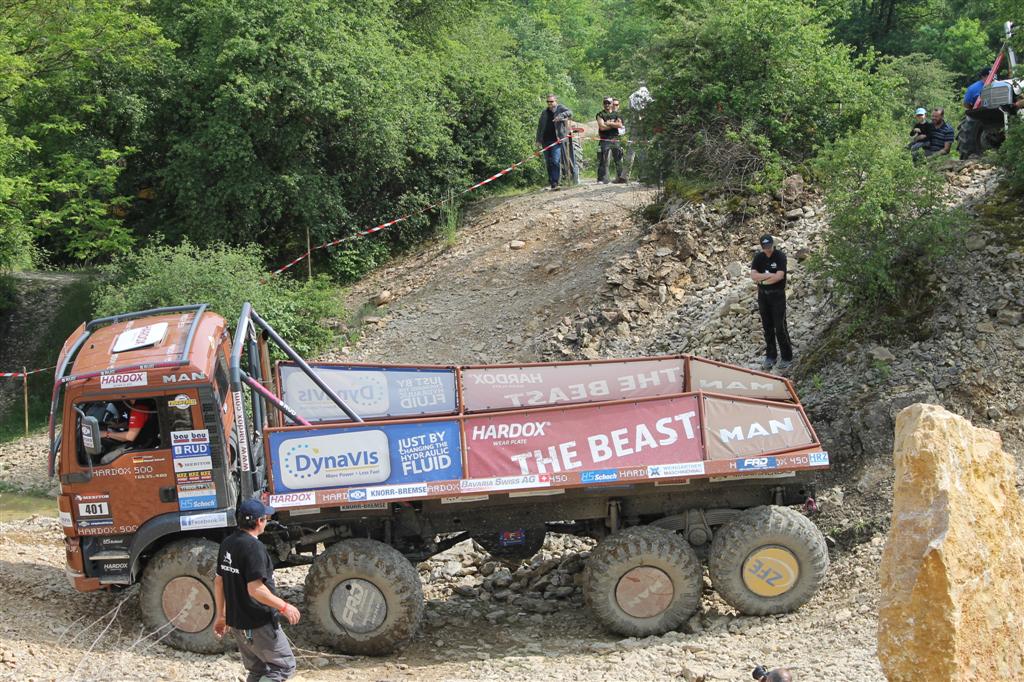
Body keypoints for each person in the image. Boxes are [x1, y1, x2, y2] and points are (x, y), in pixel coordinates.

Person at [214, 498, 300, 682]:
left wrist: (221, 616)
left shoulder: (227, 543)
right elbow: (256, 590)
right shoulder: (254, 548)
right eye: (265, 518)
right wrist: (284, 607)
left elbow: (219, 581)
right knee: (283, 667)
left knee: (257, 670)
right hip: (258, 622)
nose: (266, 522)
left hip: (237, 622)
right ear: (259, 521)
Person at [750, 234, 793, 371]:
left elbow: (779, 276)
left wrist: (762, 278)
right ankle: (771, 356)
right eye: (765, 247)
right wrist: (768, 276)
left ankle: (786, 356)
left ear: (773, 245)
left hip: (777, 296)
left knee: (780, 327)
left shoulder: (780, 256)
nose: (767, 250)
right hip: (763, 296)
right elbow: (753, 276)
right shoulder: (759, 257)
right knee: (767, 326)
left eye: (769, 247)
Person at [98, 398, 157, 464]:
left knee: (105, 460)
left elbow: (130, 436)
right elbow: (137, 425)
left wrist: (106, 434)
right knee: (112, 447)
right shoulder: (145, 404)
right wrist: (115, 426)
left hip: (138, 446)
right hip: (146, 443)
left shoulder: (138, 409)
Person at [536, 94, 573, 190]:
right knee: (548, 162)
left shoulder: (560, 108)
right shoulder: (544, 112)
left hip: (556, 140)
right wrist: (538, 140)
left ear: (555, 101)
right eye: (548, 102)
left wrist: (561, 116)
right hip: (545, 141)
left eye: (551, 101)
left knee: (556, 161)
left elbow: (570, 112)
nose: (549, 103)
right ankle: (552, 182)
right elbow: (540, 127)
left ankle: (556, 182)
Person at [596, 96, 626, 184]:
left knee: (618, 158)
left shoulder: (616, 114)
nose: (607, 105)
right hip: (604, 139)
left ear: (612, 104)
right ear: (603, 104)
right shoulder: (600, 114)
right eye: (605, 103)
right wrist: (614, 125)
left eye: (608, 103)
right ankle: (601, 179)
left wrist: (608, 123)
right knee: (603, 159)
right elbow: (602, 127)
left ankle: (621, 178)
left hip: (615, 138)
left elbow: (620, 125)